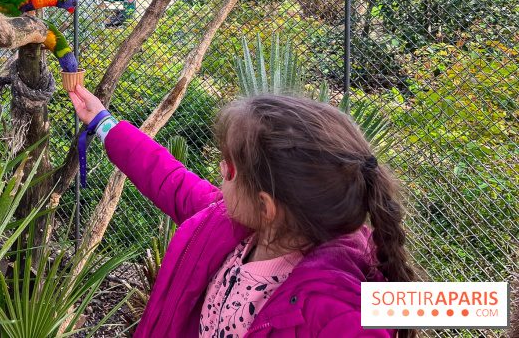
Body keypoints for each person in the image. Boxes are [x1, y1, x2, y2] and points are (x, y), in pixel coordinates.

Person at [69, 86, 416, 337]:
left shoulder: (339, 309)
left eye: (230, 169)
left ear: (266, 206)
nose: (221, 170)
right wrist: (103, 122)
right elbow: (167, 177)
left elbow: (444, 306)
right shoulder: (226, 225)